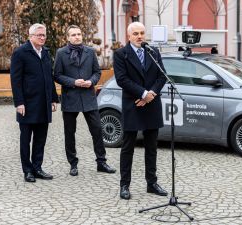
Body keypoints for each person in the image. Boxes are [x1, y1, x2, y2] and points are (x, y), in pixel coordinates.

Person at [113, 22, 167, 200]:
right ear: (128, 36)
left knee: (151, 147)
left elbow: (162, 76)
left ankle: (151, 183)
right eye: (135, 33)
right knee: (128, 147)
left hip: (151, 103)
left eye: (142, 33)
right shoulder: (121, 54)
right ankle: (124, 185)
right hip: (133, 104)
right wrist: (143, 93)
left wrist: (151, 93)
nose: (139, 36)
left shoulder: (153, 52)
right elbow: (122, 79)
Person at [54, 25, 115, 176]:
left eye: (79, 34)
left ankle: (101, 162)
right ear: (68, 37)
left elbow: (96, 72)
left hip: (88, 97)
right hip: (70, 97)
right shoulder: (61, 53)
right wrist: (73, 82)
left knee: (97, 130)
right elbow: (57, 75)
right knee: (70, 133)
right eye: (73, 35)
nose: (77, 37)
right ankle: (73, 164)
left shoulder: (90, 51)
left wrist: (91, 81)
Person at [10, 23, 59, 182]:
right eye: (39, 35)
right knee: (26, 139)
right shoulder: (20, 53)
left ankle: (37, 167)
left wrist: (53, 98)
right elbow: (15, 80)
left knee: (40, 138)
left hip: (43, 103)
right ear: (30, 36)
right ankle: (27, 171)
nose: (43, 38)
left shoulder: (45, 52)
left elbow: (49, 77)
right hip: (27, 104)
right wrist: (19, 103)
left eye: (44, 35)